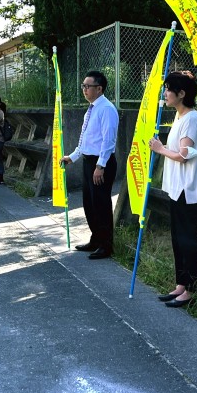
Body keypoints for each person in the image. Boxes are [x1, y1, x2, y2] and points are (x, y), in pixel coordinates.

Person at [148, 71, 197, 308]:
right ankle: (181, 284)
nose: (165, 93)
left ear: (181, 94)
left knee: (187, 240)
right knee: (177, 238)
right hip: (177, 189)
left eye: (168, 89)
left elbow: (184, 155)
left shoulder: (191, 118)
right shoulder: (179, 116)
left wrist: (160, 149)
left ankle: (192, 288)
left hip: (188, 189)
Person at [60, 70, 119, 260]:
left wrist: (100, 166)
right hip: (89, 162)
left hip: (101, 163)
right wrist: (73, 156)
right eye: (83, 86)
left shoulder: (107, 109)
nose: (84, 90)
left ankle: (106, 245)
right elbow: (86, 138)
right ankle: (96, 239)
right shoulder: (92, 108)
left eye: (88, 86)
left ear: (99, 88)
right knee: (89, 204)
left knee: (101, 204)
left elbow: (108, 141)